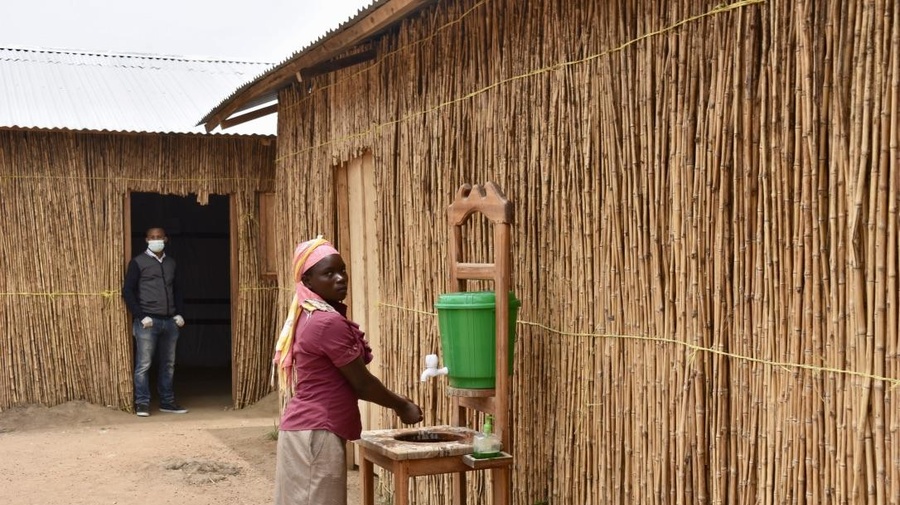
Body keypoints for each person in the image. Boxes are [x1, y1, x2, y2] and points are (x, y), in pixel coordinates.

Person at [273, 236, 423, 505]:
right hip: (316, 433)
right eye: (328, 273)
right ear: (307, 282)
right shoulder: (326, 323)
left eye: (342, 270)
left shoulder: (310, 315)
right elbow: (362, 384)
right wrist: (402, 405)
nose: (340, 278)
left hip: (306, 430)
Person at [122, 227, 188, 417]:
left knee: (168, 364)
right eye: (152, 237)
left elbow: (178, 290)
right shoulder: (137, 262)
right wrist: (141, 316)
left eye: (159, 237)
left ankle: (167, 402)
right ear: (146, 240)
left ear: (165, 239)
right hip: (147, 322)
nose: (156, 240)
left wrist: (180, 314)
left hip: (170, 321)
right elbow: (128, 291)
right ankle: (142, 403)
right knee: (144, 364)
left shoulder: (171, 263)